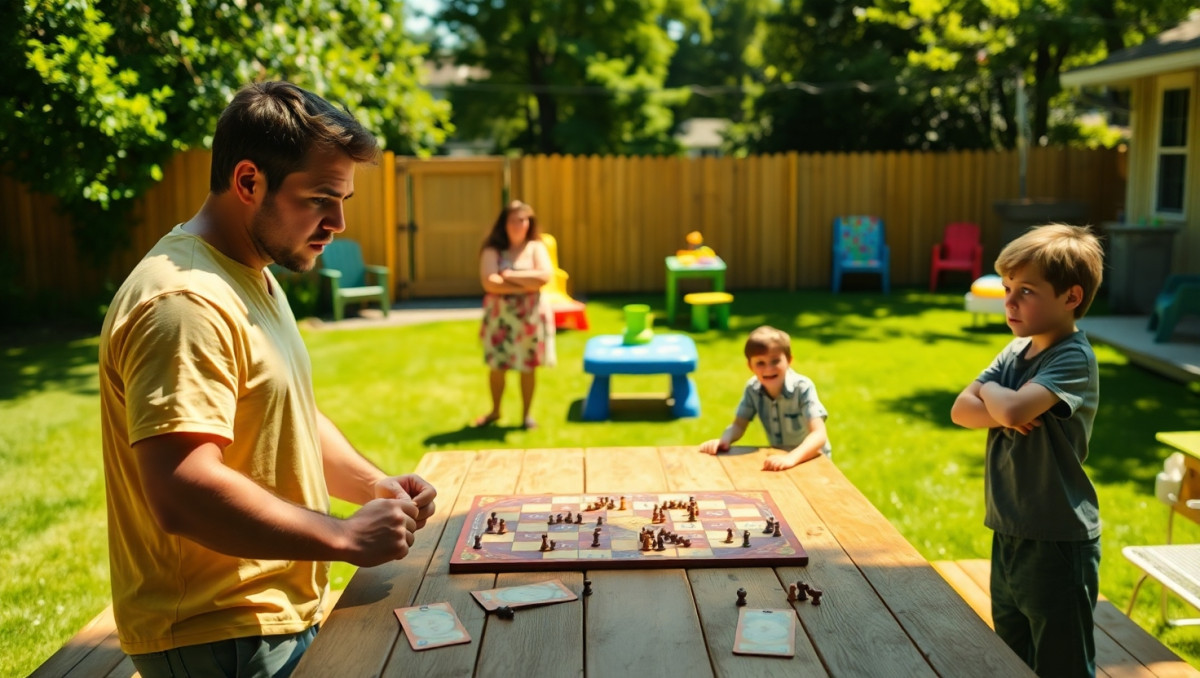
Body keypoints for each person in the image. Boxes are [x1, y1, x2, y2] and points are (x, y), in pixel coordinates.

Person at [98, 81, 437, 678]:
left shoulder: (250, 271)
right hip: (218, 635)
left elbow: (290, 415)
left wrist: (376, 486)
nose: (337, 221)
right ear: (249, 181)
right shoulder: (184, 301)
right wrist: (343, 537)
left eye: (344, 199)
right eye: (321, 198)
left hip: (267, 619)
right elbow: (181, 490)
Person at [950, 223, 1104, 678]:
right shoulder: (1015, 351)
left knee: (1062, 663)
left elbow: (1011, 410)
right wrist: (1006, 405)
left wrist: (997, 399)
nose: (1009, 301)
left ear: (1071, 298)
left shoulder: (1072, 357)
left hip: (1057, 538)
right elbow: (960, 410)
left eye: (1027, 291)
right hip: (1009, 528)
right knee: (1011, 654)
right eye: (1007, 288)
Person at [698, 325, 831, 471]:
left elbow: (818, 434)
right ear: (750, 366)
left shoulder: (802, 387)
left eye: (775, 361)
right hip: (781, 460)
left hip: (811, 459)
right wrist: (725, 440)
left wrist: (791, 458)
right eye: (760, 363)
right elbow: (738, 425)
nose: (769, 368)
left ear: (789, 360)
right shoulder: (752, 389)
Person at [473, 199, 555, 430]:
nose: (519, 224)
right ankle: (495, 411)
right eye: (514, 220)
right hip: (500, 318)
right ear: (504, 223)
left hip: (529, 318)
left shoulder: (536, 247)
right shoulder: (492, 249)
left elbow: (545, 277)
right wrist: (526, 283)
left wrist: (508, 274)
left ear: (530, 222)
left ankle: (526, 415)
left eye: (524, 219)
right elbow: (490, 283)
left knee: (528, 366)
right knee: (498, 366)